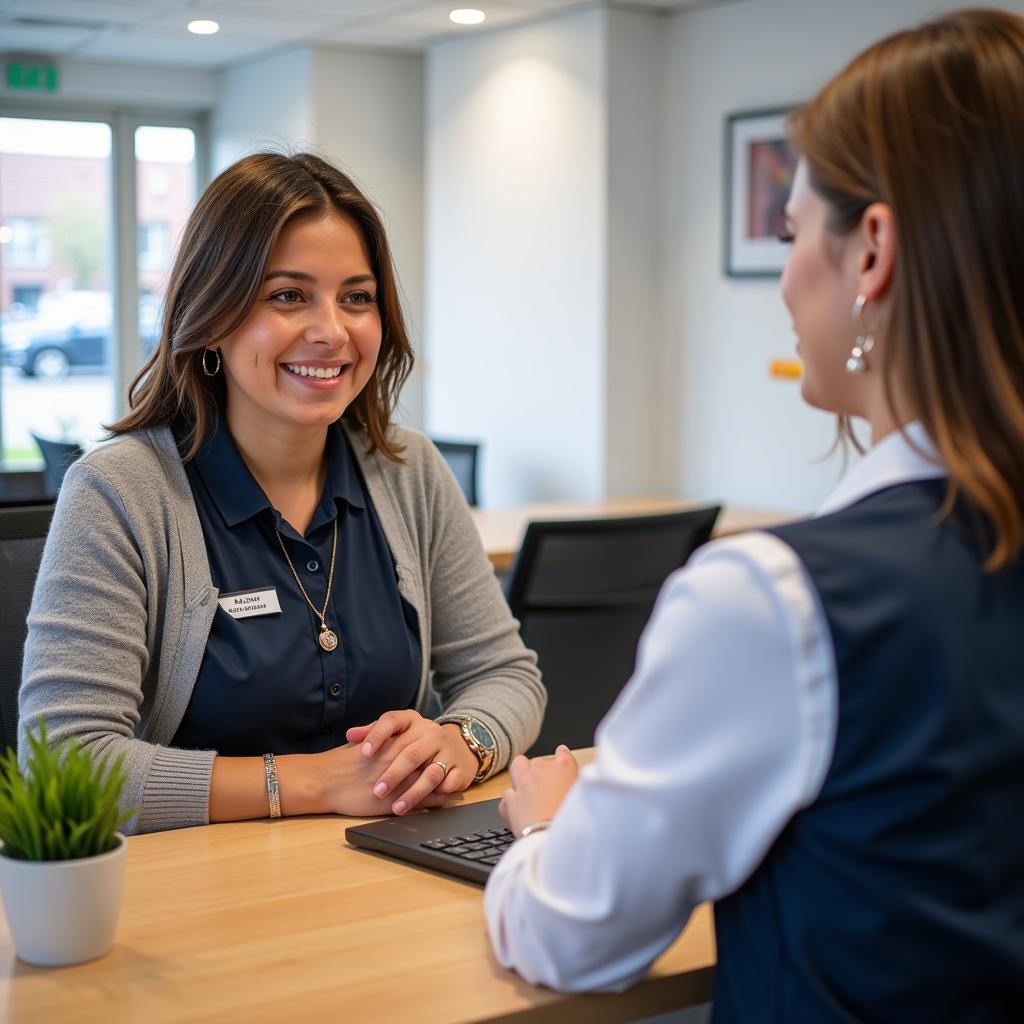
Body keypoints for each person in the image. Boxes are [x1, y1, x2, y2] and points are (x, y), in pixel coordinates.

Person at [485, 8, 1024, 1020]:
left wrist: (547, 831)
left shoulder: (775, 600)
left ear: (871, 254)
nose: (782, 278)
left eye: (788, 234)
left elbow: (569, 934)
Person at [19, 152, 545, 835]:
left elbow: (507, 674)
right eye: (288, 296)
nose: (332, 330)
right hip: (195, 897)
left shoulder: (409, 470)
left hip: (387, 869)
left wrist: (463, 740)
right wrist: (313, 781)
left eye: (357, 297)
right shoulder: (120, 491)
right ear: (211, 317)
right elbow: (66, 765)